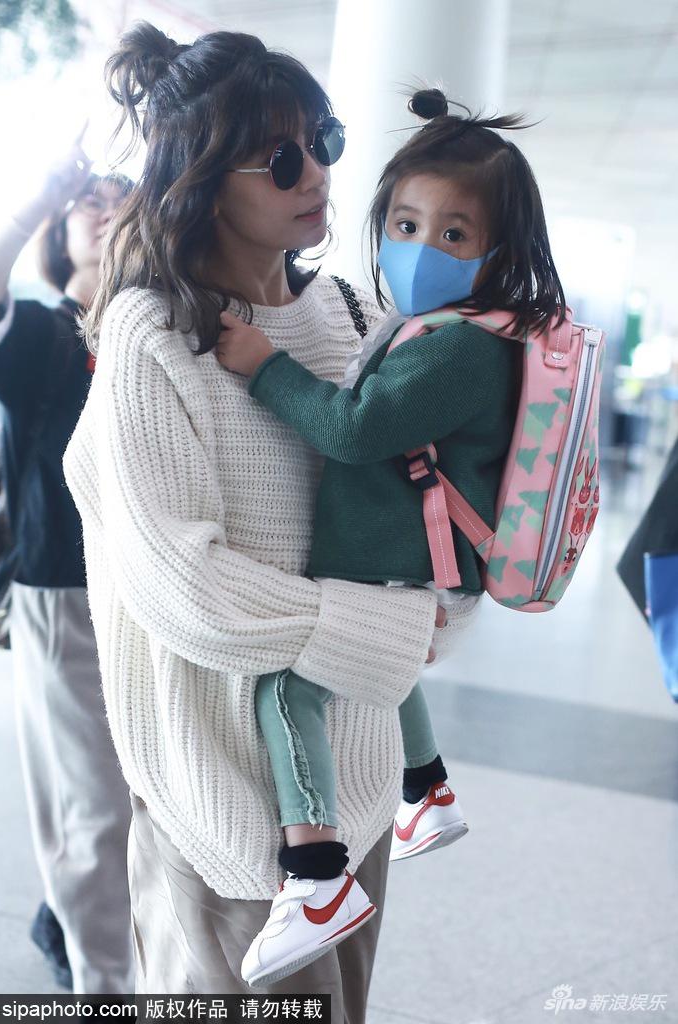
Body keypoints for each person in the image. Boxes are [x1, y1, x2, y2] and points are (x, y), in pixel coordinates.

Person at [62, 22, 443, 1013]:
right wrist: (386, 631)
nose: (314, 172)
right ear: (201, 180)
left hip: (355, 793)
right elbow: (189, 589)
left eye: (323, 140)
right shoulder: (154, 336)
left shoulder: (353, 315)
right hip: (224, 815)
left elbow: (411, 514)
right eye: (280, 158)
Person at [216, 89, 566, 986]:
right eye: (405, 224)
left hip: (399, 562)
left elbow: (353, 429)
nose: (418, 249)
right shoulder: (440, 330)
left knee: (286, 691)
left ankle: (316, 875)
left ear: (499, 251)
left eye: (453, 235)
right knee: (390, 666)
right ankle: (427, 789)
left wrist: (265, 368)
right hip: (404, 559)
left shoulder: (460, 347)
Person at [0, 147, 135, 993]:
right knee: (94, 809)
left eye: (122, 198)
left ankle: (73, 923)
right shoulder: (43, 335)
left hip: (159, 598)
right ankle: (103, 987)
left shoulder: (165, 331)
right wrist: (32, 206)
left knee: (151, 801)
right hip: (65, 594)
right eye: (87, 201)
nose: (104, 208)